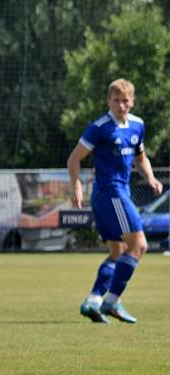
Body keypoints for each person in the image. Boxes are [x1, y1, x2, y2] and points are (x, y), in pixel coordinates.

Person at [68, 78, 163, 324]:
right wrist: (76, 186)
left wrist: (150, 178)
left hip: (115, 194)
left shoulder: (137, 125)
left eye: (125, 101)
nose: (121, 105)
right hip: (111, 193)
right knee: (139, 245)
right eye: (116, 100)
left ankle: (93, 301)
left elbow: (140, 158)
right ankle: (112, 302)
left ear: (132, 102)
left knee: (118, 251)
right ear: (108, 101)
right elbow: (74, 159)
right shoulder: (100, 127)